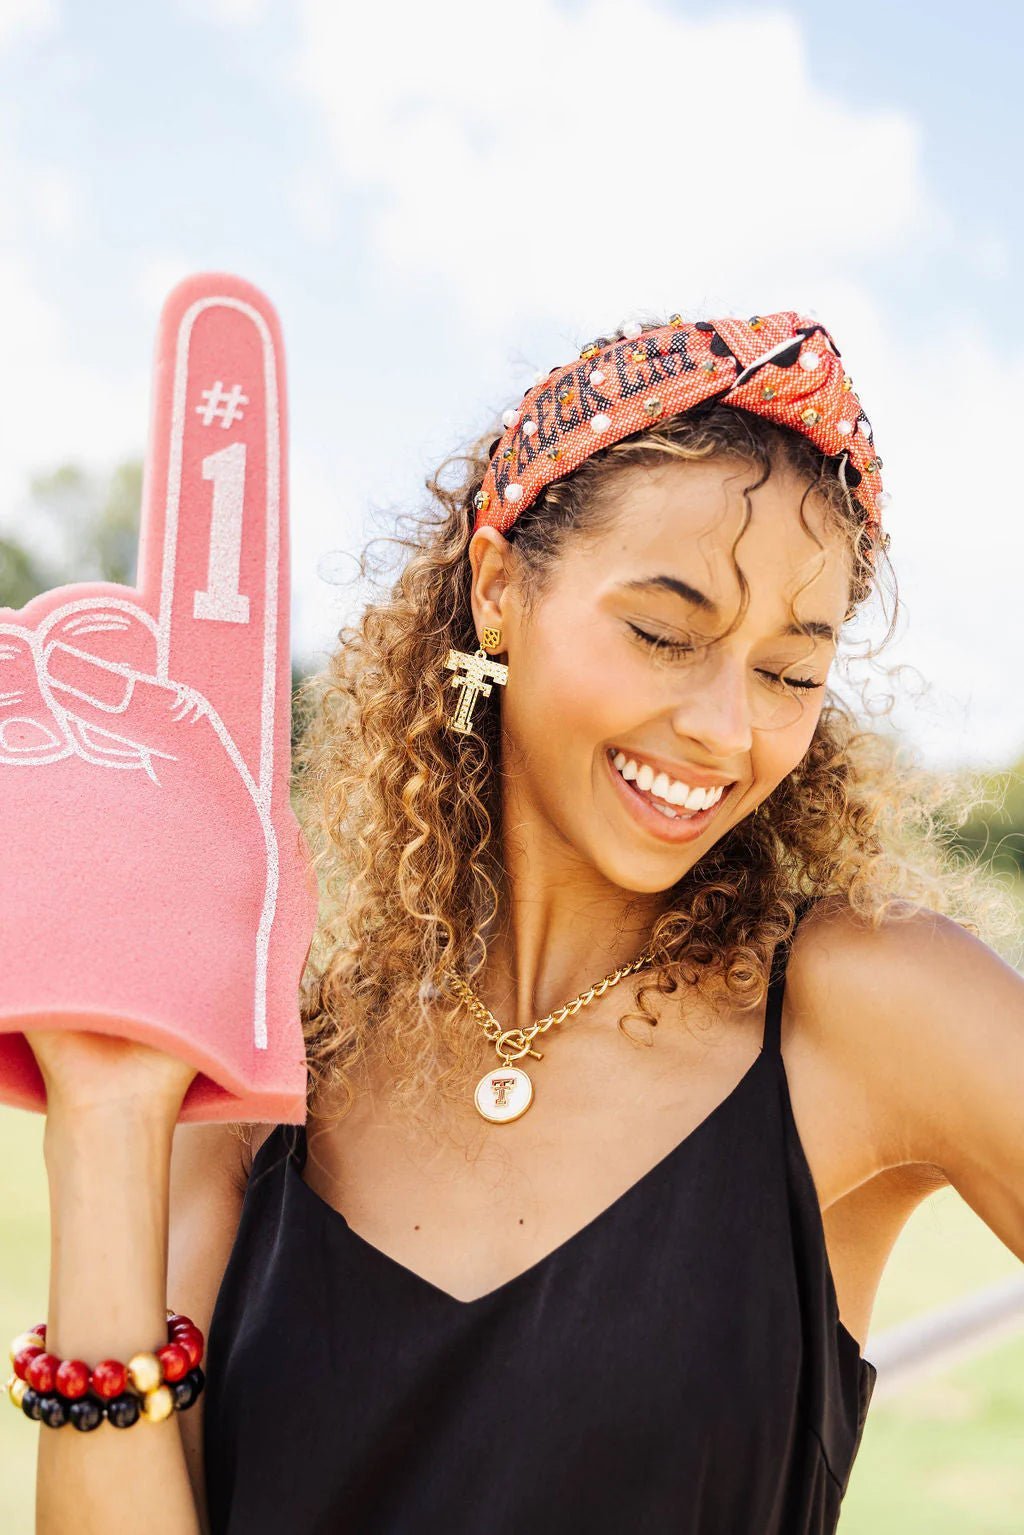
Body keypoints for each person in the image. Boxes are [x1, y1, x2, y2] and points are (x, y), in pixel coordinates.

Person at [20, 311, 1023, 1534]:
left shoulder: (866, 1009)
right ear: (498, 590)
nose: (724, 724)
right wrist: (111, 1113)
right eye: (664, 631)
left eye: (788, 672)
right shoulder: (273, 1070)